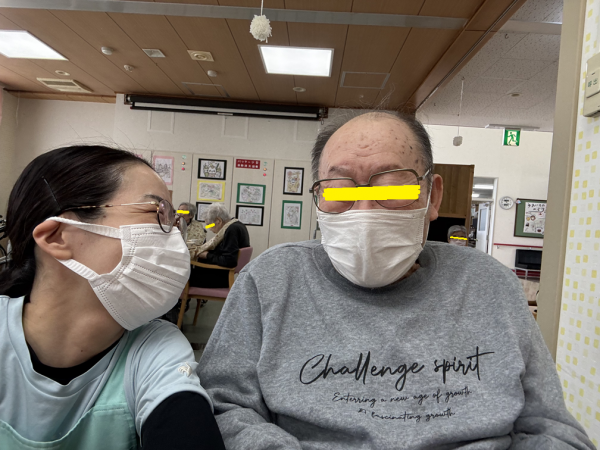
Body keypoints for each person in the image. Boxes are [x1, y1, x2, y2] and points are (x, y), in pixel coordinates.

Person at [198, 112, 595, 449]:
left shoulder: (490, 286)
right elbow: (223, 405)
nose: (364, 210)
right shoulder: (271, 281)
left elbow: (551, 428)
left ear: (432, 196)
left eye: (392, 187)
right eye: (340, 191)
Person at [0, 145, 225, 450]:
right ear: (58, 236)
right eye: (156, 213)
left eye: (174, 220)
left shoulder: (155, 349)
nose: (175, 238)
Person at [188, 203, 250, 289]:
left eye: (210, 225)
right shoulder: (238, 224)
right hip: (222, 274)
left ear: (218, 221)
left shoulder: (232, 230)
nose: (209, 228)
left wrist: (206, 255)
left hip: (220, 277)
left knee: (183, 275)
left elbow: (228, 261)